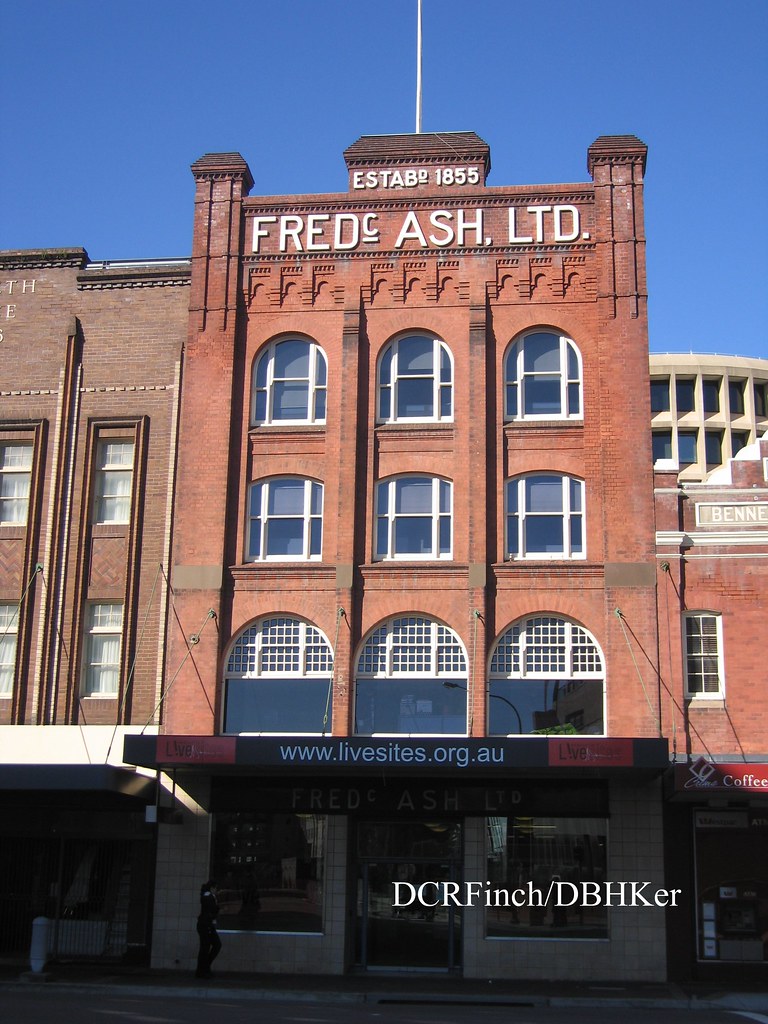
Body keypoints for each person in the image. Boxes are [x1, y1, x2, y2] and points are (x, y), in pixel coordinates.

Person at [195, 880, 222, 978]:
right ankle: (203, 969)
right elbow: (211, 909)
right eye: (216, 888)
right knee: (207, 947)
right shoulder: (208, 897)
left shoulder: (208, 896)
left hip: (206, 925)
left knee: (208, 947)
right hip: (206, 925)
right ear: (212, 888)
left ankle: (203, 968)